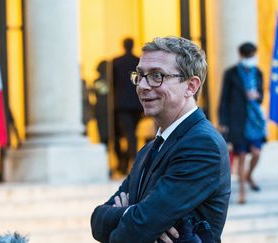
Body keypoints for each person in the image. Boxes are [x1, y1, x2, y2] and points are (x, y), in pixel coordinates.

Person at [91, 36, 231, 243]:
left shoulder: (202, 144)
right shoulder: (148, 149)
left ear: (191, 86)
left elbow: (133, 232)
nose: (143, 86)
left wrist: (133, 215)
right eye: (140, 75)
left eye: (157, 76)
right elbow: (97, 222)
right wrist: (137, 215)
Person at [218, 42, 266, 204]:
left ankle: (249, 175)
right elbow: (224, 99)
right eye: (248, 56)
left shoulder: (258, 73)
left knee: (257, 153)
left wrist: (256, 96)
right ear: (241, 55)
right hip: (237, 119)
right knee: (242, 156)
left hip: (255, 121)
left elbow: (261, 97)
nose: (250, 58)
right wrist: (223, 121)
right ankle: (242, 193)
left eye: (252, 55)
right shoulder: (231, 73)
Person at [112, 38, 143, 175]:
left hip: (122, 105)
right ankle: (129, 162)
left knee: (129, 135)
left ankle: (129, 163)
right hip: (136, 104)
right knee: (131, 134)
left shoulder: (116, 62)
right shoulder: (138, 61)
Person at [91, 60, 109, 145]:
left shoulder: (98, 81)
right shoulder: (98, 81)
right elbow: (103, 92)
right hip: (103, 108)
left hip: (102, 108)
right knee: (103, 133)